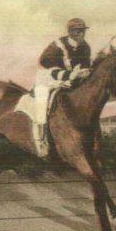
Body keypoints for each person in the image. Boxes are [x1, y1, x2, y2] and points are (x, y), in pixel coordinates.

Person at [32, 18, 94, 155]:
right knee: (42, 105)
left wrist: (85, 73)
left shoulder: (85, 47)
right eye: (78, 31)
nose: (82, 34)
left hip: (71, 81)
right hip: (49, 79)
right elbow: (46, 64)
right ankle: (41, 140)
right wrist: (70, 75)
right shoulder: (57, 46)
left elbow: (85, 67)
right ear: (70, 32)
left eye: (83, 31)